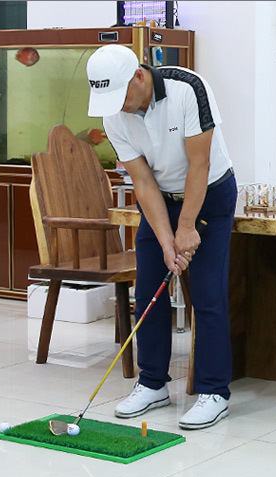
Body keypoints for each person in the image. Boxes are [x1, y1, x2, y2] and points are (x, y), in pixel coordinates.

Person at [86, 44, 237, 430]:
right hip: (159, 199)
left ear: (138, 76)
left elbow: (199, 164)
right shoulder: (113, 114)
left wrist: (186, 228)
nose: (118, 107)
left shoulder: (188, 88)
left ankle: (214, 391)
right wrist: (167, 239)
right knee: (148, 291)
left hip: (209, 194)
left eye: (121, 96)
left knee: (207, 294)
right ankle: (153, 383)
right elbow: (142, 180)